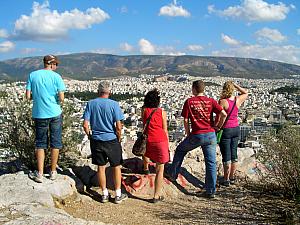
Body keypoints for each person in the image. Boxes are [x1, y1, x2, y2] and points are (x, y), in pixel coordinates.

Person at [165, 80, 227, 198]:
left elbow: (185, 120)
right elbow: (224, 114)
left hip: (197, 134)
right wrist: (218, 126)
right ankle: (210, 190)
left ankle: (173, 174)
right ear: (203, 89)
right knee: (211, 162)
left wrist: (188, 134)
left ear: (194, 89)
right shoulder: (211, 101)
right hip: (210, 134)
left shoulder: (189, 102)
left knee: (180, 150)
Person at [82, 81, 127, 204]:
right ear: (109, 92)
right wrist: (119, 136)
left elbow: (85, 125)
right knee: (116, 167)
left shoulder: (91, 104)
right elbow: (118, 125)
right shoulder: (114, 104)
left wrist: (89, 135)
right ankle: (118, 195)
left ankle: (104, 194)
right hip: (111, 139)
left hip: (96, 140)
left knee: (100, 168)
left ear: (98, 91)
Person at [26, 55, 66, 183]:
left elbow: (27, 96)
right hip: (55, 113)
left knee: (40, 143)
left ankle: (40, 173)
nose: (57, 67)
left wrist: (38, 98)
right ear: (52, 64)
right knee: (55, 142)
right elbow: (61, 98)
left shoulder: (32, 75)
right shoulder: (57, 77)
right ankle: (53, 171)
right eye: (56, 64)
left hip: (39, 113)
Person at [217, 81, 248, 186]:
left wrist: (216, 127)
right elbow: (245, 93)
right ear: (232, 89)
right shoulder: (237, 100)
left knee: (226, 155)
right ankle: (232, 177)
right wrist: (236, 85)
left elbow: (219, 117)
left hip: (226, 130)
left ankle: (225, 180)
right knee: (234, 154)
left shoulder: (222, 101)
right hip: (236, 129)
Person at [141, 89, 169, 203]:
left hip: (148, 140)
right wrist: (167, 146)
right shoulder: (162, 112)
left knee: (145, 152)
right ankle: (156, 195)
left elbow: (144, 125)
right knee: (159, 169)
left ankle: (145, 168)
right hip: (160, 140)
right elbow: (165, 130)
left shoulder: (144, 111)